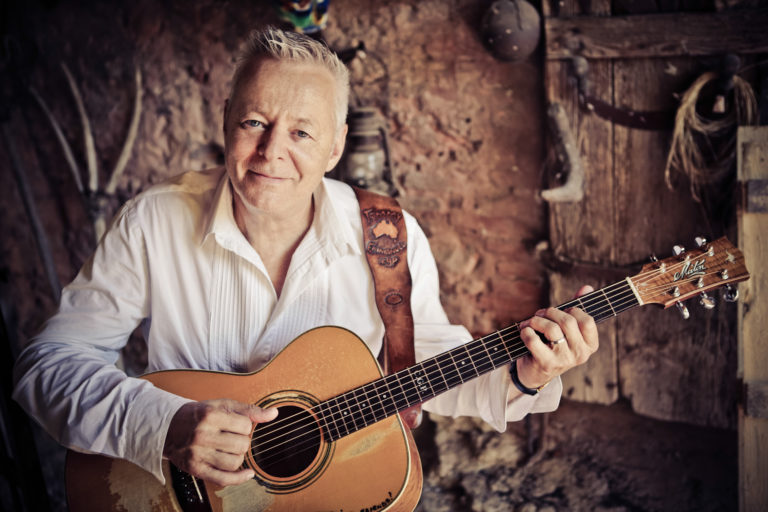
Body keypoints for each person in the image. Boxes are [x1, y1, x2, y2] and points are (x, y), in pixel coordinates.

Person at [13, 27, 598, 490]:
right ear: (225, 119)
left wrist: (527, 373)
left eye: (301, 133)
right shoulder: (154, 221)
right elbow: (46, 365)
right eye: (254, 123)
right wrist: (161, 425)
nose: (271, 153)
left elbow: (430, 365)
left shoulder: (387, 236)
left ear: (337, 146)